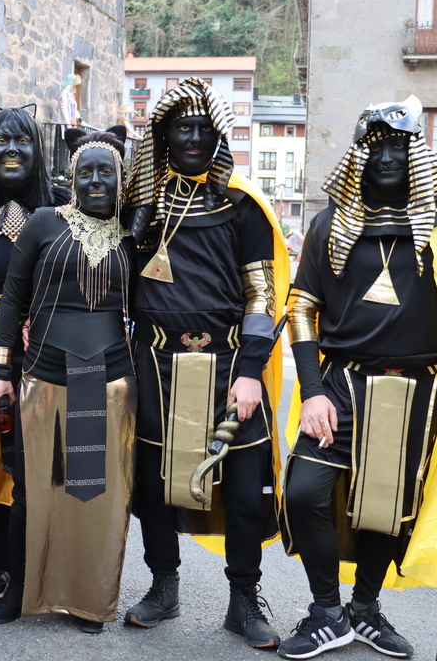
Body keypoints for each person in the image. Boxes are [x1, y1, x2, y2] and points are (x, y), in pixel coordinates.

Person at [277, 96, 437, 659]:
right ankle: (327, 612)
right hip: (340, 384)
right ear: (358, 155)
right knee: (303, 492)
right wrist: (311, 391)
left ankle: (365, 609)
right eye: (374, 146)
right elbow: (301, 306)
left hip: (415, 391)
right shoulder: (329, 224)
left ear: (416, 153)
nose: (385, 157)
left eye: (398, 146)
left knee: (385, 509)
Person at [121, 78, 289, 649]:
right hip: (155, 364)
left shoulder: (243, 207)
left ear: (218, 137)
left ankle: (243, 599)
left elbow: (262, 297)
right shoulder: (141, 207)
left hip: (229, 366)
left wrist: (250, 371)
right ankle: (163, 587)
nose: (193, 138)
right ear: (164, 135)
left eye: (203, 128)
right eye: (182, 128)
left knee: (242, 492)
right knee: (154, 488)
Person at [0, 128, 136, 633]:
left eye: (106, 172)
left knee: (89, 493)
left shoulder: (133, 234)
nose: (96, 181)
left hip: (106, 378)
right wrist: (1, 370)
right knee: (32, 492)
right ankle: (21, 589)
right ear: (72, 177)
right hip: (43, 375)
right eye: (86, 172)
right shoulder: (44, 223)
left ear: (120, 180)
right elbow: (12, 299)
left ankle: (85, 598)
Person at [0, 105, 69, 600]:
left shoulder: (65, 205)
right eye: (2, 141)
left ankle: (49, 561)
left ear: (37, 150)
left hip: (46, 343)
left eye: (23, 141)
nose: (12, 150)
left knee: (47, 454)